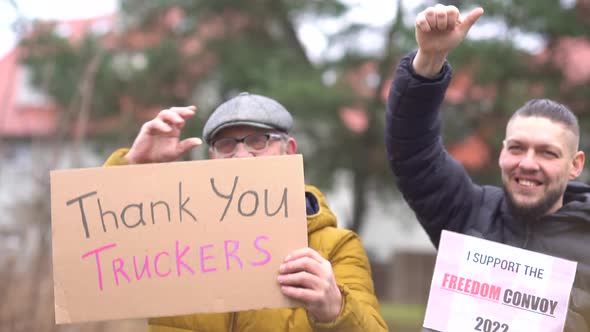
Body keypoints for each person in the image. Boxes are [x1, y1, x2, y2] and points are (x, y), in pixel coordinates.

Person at [104, 92, 388, 332]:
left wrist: (336, 308)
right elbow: (96, 252)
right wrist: (133, 168)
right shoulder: (176, 237)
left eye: (258, 140)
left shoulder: (338, 246)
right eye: (226, 145)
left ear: (288, 151)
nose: (241, 156)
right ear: (211, 158)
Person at [385, 4, 590, 332]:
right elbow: (412, 150)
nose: (527, 163)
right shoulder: (467, 212)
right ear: (501, 153)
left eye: (547, 153)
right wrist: (429, 60)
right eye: (517, 148)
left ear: (574, 165)